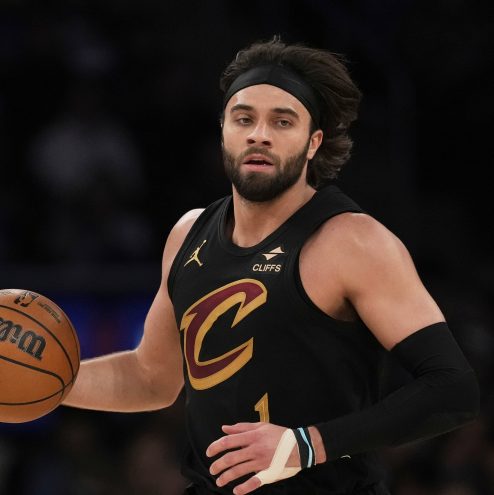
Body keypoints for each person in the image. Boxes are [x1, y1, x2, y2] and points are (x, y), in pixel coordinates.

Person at [63, 37, 480, 495]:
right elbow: (151, 379)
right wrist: (44, 382)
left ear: (313, 142)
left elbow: (453, 389)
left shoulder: (351, 241)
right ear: (223, 131)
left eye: (282, 122)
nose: (259, 134)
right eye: (244, 119)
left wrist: (308, 444)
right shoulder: (187, 233)